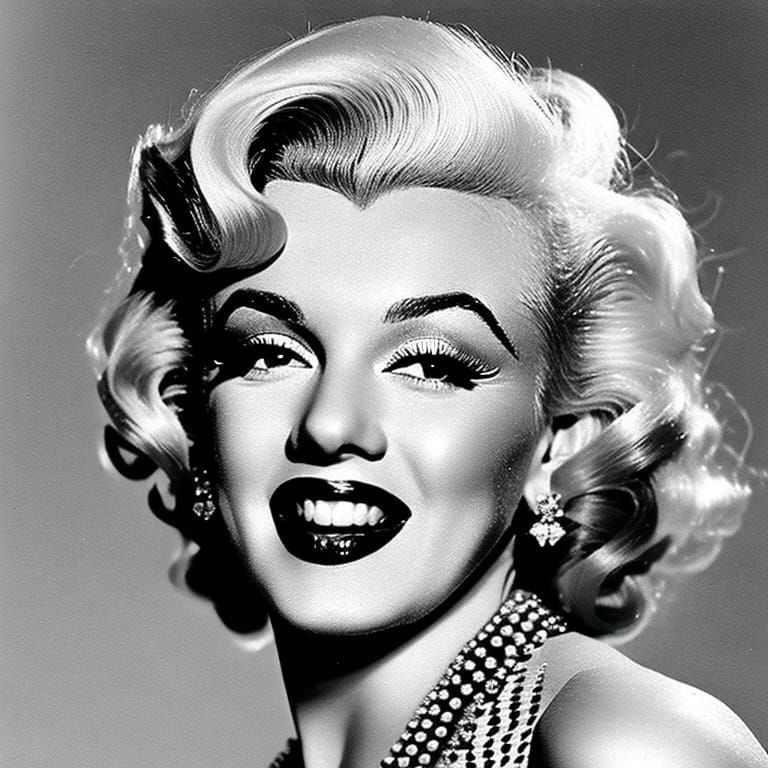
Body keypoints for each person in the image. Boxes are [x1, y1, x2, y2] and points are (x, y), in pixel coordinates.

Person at [90, 15, 768, 767]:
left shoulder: (624, 743)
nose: (332, 424)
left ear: (562, 435)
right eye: (270, 353)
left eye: (431, 366)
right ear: (191, 409)